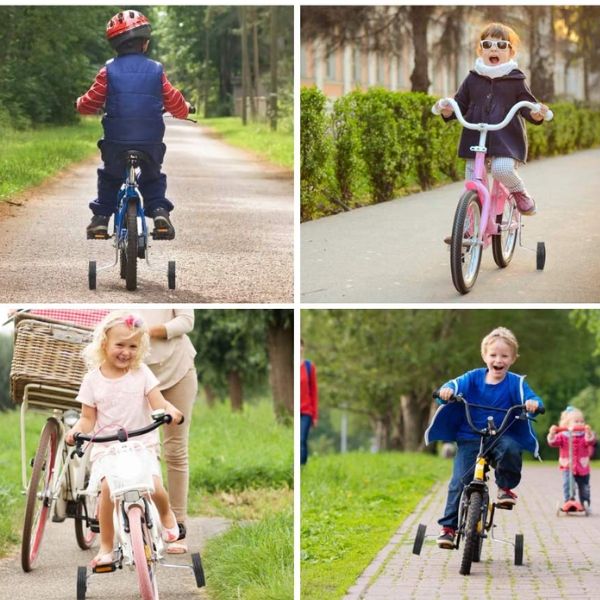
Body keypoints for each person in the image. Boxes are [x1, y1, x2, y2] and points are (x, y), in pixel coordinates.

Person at [65, 311, 184, 568]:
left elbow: (158, 402)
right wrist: (76, 430)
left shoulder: (141, 374)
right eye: (120, 345)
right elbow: (87, 418)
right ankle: (107, 545)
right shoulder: (92, 380)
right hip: (107, 448)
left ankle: (166, 515)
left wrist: (171, 412)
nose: (126, 352)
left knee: (154, 485)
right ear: (104, 344)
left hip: (141, 443)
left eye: (133, 346)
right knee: (107, 492)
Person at [76, 9, 192, 241]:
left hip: (116, 142)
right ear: (144, 44)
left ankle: (100, 220)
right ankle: (159, 212)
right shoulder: (157, 70)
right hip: (150, 142)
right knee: (152, 176)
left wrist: (80, 103)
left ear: (115, 44)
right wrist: (185, 110)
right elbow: (174, 101)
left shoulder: (107, 71)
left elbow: (89, 103)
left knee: (110, 176)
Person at [424, 327, 543, 549]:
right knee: (459, 481)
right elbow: (453, 385)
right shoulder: (473, 377)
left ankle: (505, 488)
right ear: (484, 356)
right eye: (493, 355)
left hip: (500, 437)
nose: (498, 360)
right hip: (470, 437)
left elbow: (532, 398)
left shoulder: (515, 383)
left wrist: (533, 404)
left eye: (504, 356)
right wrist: (447, 391)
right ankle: (448, 528)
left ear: (513, 359)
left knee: (511, 449)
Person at [435, 22, 549, 229]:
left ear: (511, 52)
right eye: (487, 44)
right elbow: (460, 103)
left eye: (501, 45)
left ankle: (519, 191)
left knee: (501, 168)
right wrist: (448, 109)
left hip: (505, 137)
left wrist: (536, 112)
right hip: (475, 135)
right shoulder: (473, 77)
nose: (493, 49)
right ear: (481, 50)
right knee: (474, 179)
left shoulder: (516, 79)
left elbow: (527, 106)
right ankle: (469, 229)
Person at [140, 309, 198, 553]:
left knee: (175, 450)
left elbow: (186, 321)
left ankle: (177, 528)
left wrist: (146, 331)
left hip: (177, 370)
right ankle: (140, 526)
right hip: (137, 373)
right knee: (140, 449)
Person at [547, 406, 596, 511]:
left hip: (582, 467)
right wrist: (552, 433)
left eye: (582, 421)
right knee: (568, 484)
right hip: (567, 466)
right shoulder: (562, 436)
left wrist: (589, 432)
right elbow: (552, 442)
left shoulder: (584, 436)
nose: (580, 424)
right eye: (576, 421)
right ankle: (569, 501)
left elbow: (590, 441)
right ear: (567, 424)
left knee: (585, 487)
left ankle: (585, 503)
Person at [300, 339, 318, 465]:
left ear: (303, 347)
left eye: (299, 345)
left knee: (301, 440)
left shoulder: (309, 366)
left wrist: (315, 415)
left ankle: (301, 467)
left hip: (306, 411)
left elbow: (314, 391)